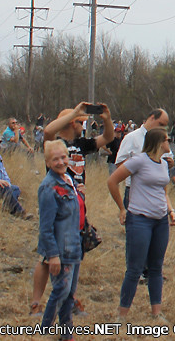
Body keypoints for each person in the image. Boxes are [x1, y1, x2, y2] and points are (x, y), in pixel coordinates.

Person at [30, 102, 116, 316]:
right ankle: (35, 303)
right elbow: (48, 130)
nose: (83, 126)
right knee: (47, 256)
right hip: (56, 203)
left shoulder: (82, 144)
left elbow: (108, 138)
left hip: (76, 205)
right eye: (81, 122)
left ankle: (70, 298)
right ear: (72, 123)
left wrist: (106, 118)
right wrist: (73, 114)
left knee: (75, 253)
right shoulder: (54, 144)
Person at [107, 127, 175, 323]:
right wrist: (122, 208)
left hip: (160, 221)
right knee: (135, 268)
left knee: (156, 267)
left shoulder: (163, 164)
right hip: (139, 219)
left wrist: (170, 211)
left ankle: (156, 312)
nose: (169, 144)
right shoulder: (139, 160)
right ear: (158, 142)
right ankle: (122, 315)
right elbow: (113, 180)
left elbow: (163, 192)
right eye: (167, 140)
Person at [36, 140, 82, 341]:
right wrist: (52, 256)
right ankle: (44, 330)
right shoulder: (49, 187)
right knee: (60, 291)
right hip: (60, 251)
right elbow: (45, 228)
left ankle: (66, 334)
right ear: (47, 161)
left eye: (63, 157)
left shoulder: (68, 180)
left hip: (74, 248)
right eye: (55, 159)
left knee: (69, 294)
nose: (61, 162)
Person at [115, 109, 170, 206]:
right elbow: (119, 163)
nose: (162, 128)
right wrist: (139, 170)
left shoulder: (162, 138)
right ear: (152, 118)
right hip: (135, 190)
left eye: (164, 126)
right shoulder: (132, 137)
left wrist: (170, 163)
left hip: (156, 191)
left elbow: (169, 157)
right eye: (160, 124)